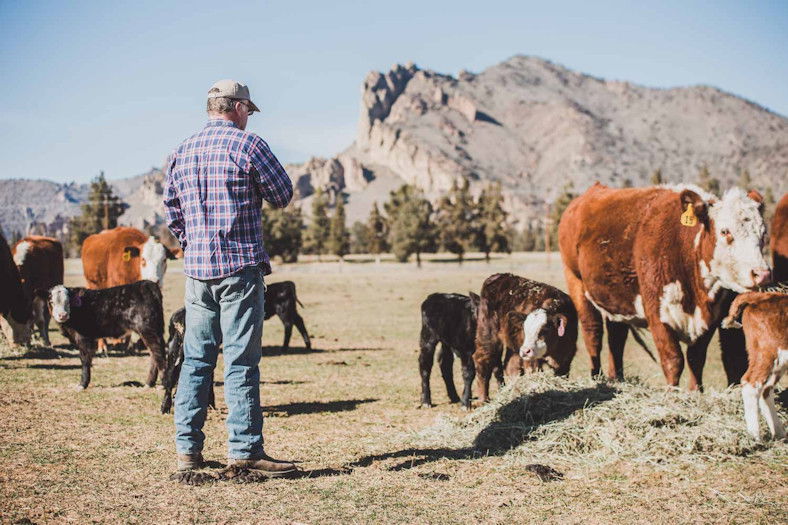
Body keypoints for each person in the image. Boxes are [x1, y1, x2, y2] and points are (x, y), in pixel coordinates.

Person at [163, 79, 296, 475]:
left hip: (197, 272)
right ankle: (245, 451)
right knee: (241, 361)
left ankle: (189, 451)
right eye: (248, 111)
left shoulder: (181, 150)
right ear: (237, 107)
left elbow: (172, 212)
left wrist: (194, 242)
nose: (248, 119)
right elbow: (282, 194)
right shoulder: (248, 146)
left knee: (196, 360)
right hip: (239, 267)